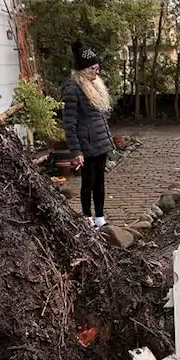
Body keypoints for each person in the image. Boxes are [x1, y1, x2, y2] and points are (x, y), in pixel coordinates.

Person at [61, 40, 115, 229]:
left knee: (100, 182)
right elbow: (69, 123)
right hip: (87, 146)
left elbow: (99, 119)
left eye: (97, 67)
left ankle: (100, 216)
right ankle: (87, 216)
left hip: (100, 144)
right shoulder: (73, 90)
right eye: (93, 68)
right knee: (88, 184)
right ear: (84, 69)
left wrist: (107, 140)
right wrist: (76, 151)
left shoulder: (94, 87)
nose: (97, 71)